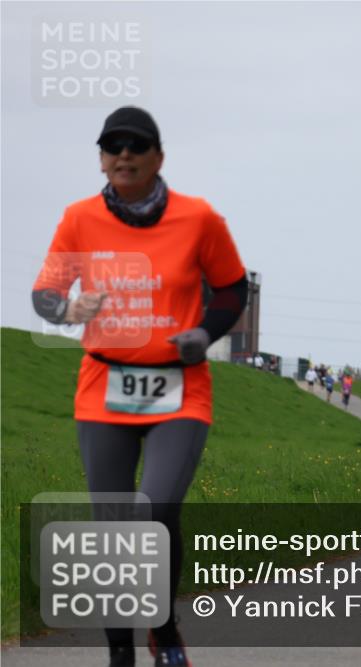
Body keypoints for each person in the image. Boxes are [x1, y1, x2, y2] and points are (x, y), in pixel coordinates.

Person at [31, 106, 248, 667]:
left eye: (136, 145)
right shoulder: (79, 219)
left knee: (154, 513)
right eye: (112, 146)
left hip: (180, 389)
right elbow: (45, 292)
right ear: (102, 160)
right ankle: (120, 653)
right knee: (112, 526)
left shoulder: (198, 219)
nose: (123, 154)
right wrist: (66, 306)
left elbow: (230, 290)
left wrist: (205, 331)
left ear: (159, 157)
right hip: (103, 385)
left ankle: (164, 626)